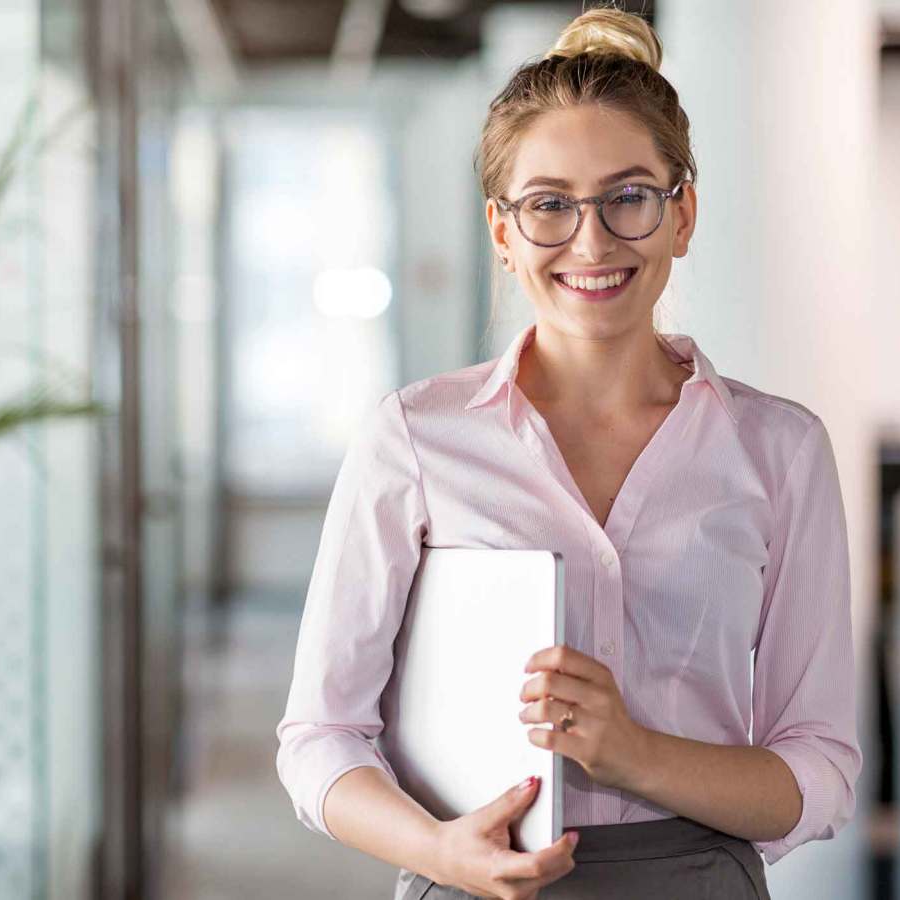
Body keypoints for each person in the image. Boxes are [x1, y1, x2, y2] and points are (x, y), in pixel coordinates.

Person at [275, 4, 861, 898]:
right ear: (503, 233)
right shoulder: (415, 439)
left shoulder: (781, 451)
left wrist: (632, 753)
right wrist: (440, 853)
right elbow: (320, 738)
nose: (592, 241)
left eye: (629, 197)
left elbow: (818, 770)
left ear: (682, 215)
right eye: (549, 204)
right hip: (472, 878)